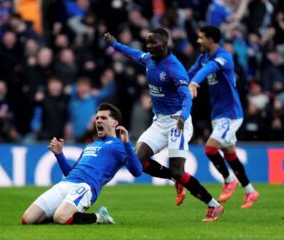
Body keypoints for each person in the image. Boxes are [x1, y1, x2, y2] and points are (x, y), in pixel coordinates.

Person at [104, 28, 224, 221]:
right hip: (160, 122)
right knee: (136, 161)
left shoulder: (174, 68)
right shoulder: (149, 58)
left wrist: (184, 116)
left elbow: (186, 97)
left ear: (165, 44)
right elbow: (134, 54)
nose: (150, 46)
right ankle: (175, 179)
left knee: (178, 170)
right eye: (148, 42)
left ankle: (214, 205)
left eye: (154, 43)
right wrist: (115, 44)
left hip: (178, 121)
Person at [21, 103, 142, 225]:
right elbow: (71, 173)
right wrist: (59, 155)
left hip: (85, 187)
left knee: (61, 218)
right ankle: (62, 211)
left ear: (115, 123)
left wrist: (126, 143)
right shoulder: (91, 145)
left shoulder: (119, 146)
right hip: (65, 183)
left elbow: (136, 171)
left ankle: (100, 217)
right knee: (28, 219)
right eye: (97, 118)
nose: (98, 121)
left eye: (104, 118)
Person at [188, 25, 259, 208]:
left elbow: (208, 69)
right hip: (218, 114)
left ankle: (228, 180)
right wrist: (177, 85)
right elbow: (191, 72)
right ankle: (250, 191)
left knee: (210, 149)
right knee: (230, 155)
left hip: (231, 114)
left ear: (210, 39)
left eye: (201, 37)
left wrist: (196, 82)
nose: (198, 41)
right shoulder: (203, 57)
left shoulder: (224, 56)